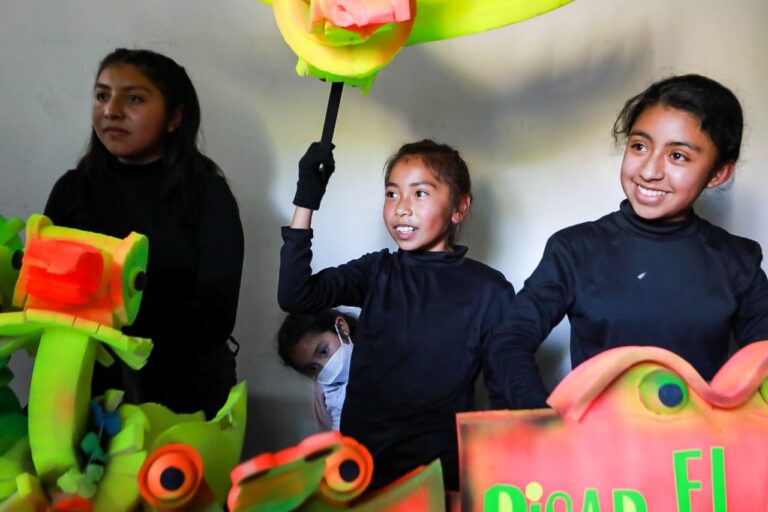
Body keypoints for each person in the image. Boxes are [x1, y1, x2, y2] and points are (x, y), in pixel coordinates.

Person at [498, 74, 768, 409]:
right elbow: (509, 341)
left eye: (678, 156)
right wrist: (542, 422)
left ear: (718, 173)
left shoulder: (739, 260)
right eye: (640, 146)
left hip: (698, 456)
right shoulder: (574, 249)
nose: (650, 170)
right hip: (596, 452)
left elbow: (763, 363)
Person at [278, 139, 515, 491]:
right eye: (392, 194)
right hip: (362, 472)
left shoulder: (489, 291)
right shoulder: (377, 271)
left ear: (459, 207)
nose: (401, 208)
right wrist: (306, 199)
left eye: (419, 194)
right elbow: (295, 294)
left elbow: (505, 397)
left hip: (440, 477)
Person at [44, 48, 244, 419]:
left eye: (133, 98)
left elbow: (216, 317)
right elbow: (45, 295)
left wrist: (107, 300)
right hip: (83, 391)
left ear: (174, 117)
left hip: (183, 397)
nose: (111, 110)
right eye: (102, 95)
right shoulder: (72, 190)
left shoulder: (207, 194)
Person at [277, 308, 357, 431]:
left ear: (341, 328)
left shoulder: (385, 353)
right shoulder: (323, 395)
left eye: (323, 351)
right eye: (313, 367)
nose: (325, 366)